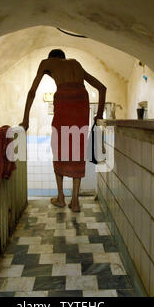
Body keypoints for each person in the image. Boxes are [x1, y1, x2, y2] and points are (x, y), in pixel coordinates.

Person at [20, 49, 106, 212]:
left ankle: (61, 198)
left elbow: (32, 91)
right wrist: (98, 116)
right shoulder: (76, 64)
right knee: (77, 151)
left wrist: (25, 119)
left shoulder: (47, 63)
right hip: (82, 103)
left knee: (58, 149)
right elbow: (102, 88)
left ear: (52, 58)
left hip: (64, 101)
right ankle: (75, 202)